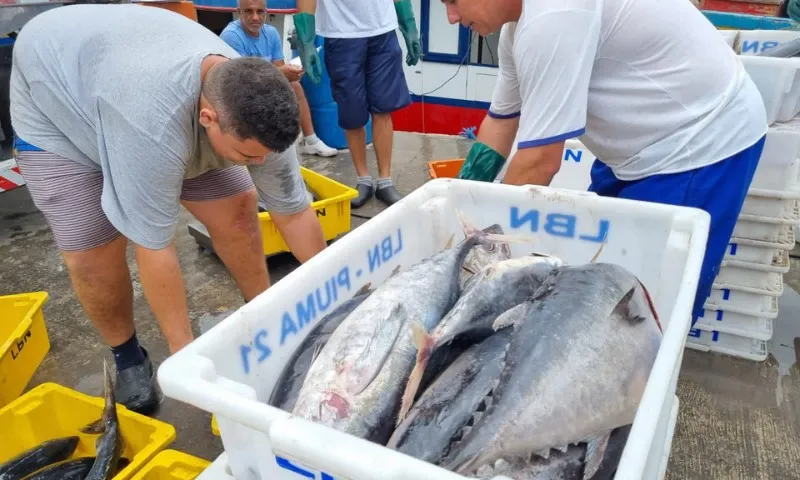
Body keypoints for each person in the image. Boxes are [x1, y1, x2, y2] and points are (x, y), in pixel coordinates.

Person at [10, 3, 328, 416]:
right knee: (95, 251)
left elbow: (295, 213)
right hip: (58, 105)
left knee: (239, 208)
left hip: (125, 68)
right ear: (207, 118)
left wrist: (339, 301)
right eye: (248, 155)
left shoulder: (257, 100)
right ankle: (128, 357)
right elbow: (155, 247)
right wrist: (189, 363)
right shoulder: (151, 126)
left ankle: (262, 316)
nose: (260, 165)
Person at [447, 0, 768, 327]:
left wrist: (486, 248)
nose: (450, 18)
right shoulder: (516, 31)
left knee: (641, 309)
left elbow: (539, 162)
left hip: (699, 142)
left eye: (452, 1)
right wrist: (460, 213)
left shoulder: (554, 16)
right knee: (593, 281)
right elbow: (500, 124)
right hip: (634, 145)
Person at [292, 0, 421, 208]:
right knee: (352, 113)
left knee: (383, 108)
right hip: (341, 33)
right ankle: (363, 179)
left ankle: (385, 182)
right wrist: (306, 42)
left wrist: (409, 25)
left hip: (383, 31)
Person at [220, 0, 338, 158]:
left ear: (266, 12)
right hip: (237, 93)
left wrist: (291, 72)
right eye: (248, 11)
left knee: (294, 85)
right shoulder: (232, 36)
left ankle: (310, 140)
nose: (255, 17)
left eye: (260, 12)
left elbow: (280, 69)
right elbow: (240, 79)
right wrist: (280, 72)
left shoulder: (271, 33)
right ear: (238, 12)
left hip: (262, 85)